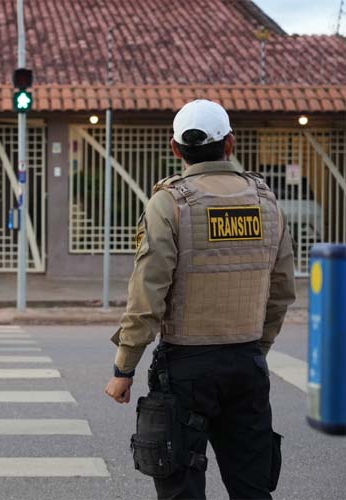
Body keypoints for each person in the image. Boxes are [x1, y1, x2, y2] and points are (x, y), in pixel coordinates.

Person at [103, 99, 296, 500]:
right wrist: (256, 348)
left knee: (181, 490)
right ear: (230, 143)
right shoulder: (265, 202)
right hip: (246, 363)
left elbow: (147, 293)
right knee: (252, 487)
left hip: (185, 369)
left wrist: (124, 367)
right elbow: (281, 292)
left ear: (175, 149)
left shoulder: (169, 202)